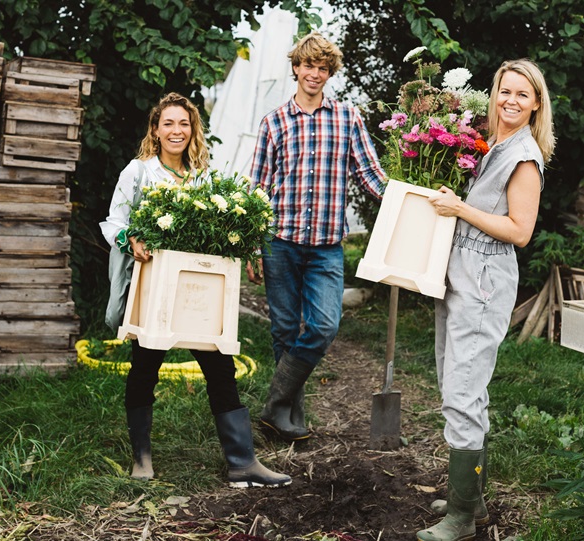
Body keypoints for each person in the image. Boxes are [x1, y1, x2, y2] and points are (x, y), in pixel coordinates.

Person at [100, 92, 291, 488]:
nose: (176, 131)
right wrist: (130, 238)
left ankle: (243, 461)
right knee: (145, 368)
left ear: (193, 130)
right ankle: (142, 459)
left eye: (183, 124)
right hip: (155, 288)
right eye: (168, 123)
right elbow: (113, 221)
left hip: (197, 289)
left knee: (219, 366)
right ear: (155, 129)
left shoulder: (203, 177)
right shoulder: (139, 172)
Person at [417, 59, 556, 541]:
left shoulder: (524, 157)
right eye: (505, 91)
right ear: (494, 94)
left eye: (523, 94)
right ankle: (470, 499)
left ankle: (460, 519)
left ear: (536, 104)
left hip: (484, 283)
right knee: (457, 383)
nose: (511, 101)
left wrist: (460, 208)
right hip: (462, 276)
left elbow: (520, 231)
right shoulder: (495, 145)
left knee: (463, 392)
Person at [246, 32, 386, 442]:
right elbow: (258, 188)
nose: (314, 73)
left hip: (326, 245)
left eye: (322, 68)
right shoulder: (274, 122)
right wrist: (254, 244)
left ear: (329, 73)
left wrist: (413, 200)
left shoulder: (347, 118)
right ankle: (289, 419)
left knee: (323, 326)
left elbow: (371, 175)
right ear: (296, 68)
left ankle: (274, 405)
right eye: (308, 65)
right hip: (280, 241)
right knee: (285, 331)